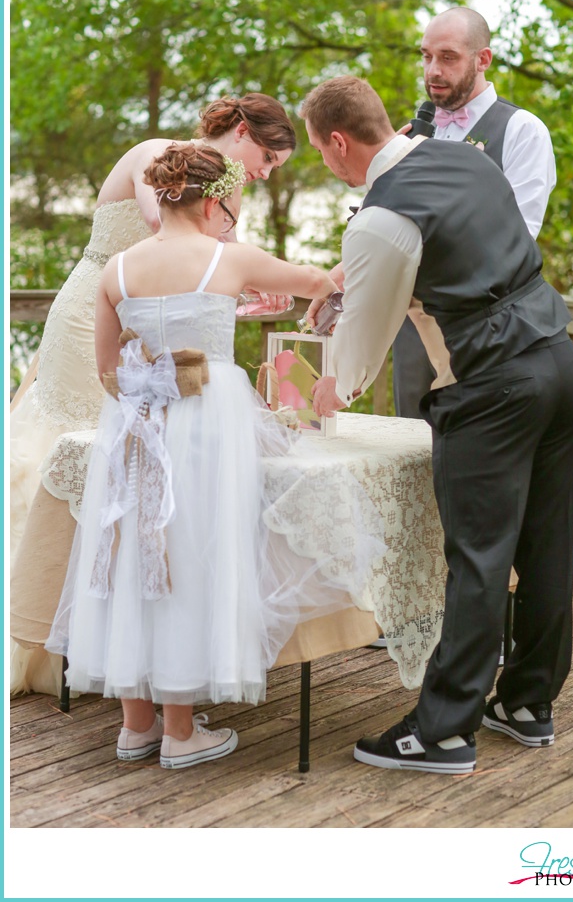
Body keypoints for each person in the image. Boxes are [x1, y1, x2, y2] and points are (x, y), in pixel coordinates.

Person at [44, 145, 382, 768]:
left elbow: (105, 369)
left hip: (135, 424)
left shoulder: (116, 270)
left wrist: (148, 393)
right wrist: (366, 248)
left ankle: (135, 726)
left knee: (134, 559)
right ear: (213, 199)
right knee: (193, 554)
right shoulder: (230, 260)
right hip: (207, 424)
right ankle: (179, 733)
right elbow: (318, 283)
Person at [299, 76, 573, 774]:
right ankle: (527, 703)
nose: (323, 162)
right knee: (547, 549)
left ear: (340, 142)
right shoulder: (466, 159)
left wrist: (323, 392)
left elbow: (361, 352)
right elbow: (451, 250)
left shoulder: (379, 216)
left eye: (318, 150)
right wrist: (345, 286)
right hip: (561, 366)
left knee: (478, 561)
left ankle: (443, 731)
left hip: (493, 389)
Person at [9, 93, 298, 697]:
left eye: (275, 166)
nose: (268, 171)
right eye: (268, 156)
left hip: (156, 330)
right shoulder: (158, 157)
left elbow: (197, 280)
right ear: (241, 131)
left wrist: (245, 295)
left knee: (145, 474)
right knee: (70, 453)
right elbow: (160, 235)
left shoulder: (227, 192)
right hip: (101, 311)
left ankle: (127, 643)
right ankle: (38, 628)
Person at [391, 5, 556, 419]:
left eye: (447, 57)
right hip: (412, 328)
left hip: (486, 333)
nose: (432, 70)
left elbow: (517, 237)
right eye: (426, 56)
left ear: (483, 59)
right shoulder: (413, 136)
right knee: (408, 450)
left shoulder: (522, 130)